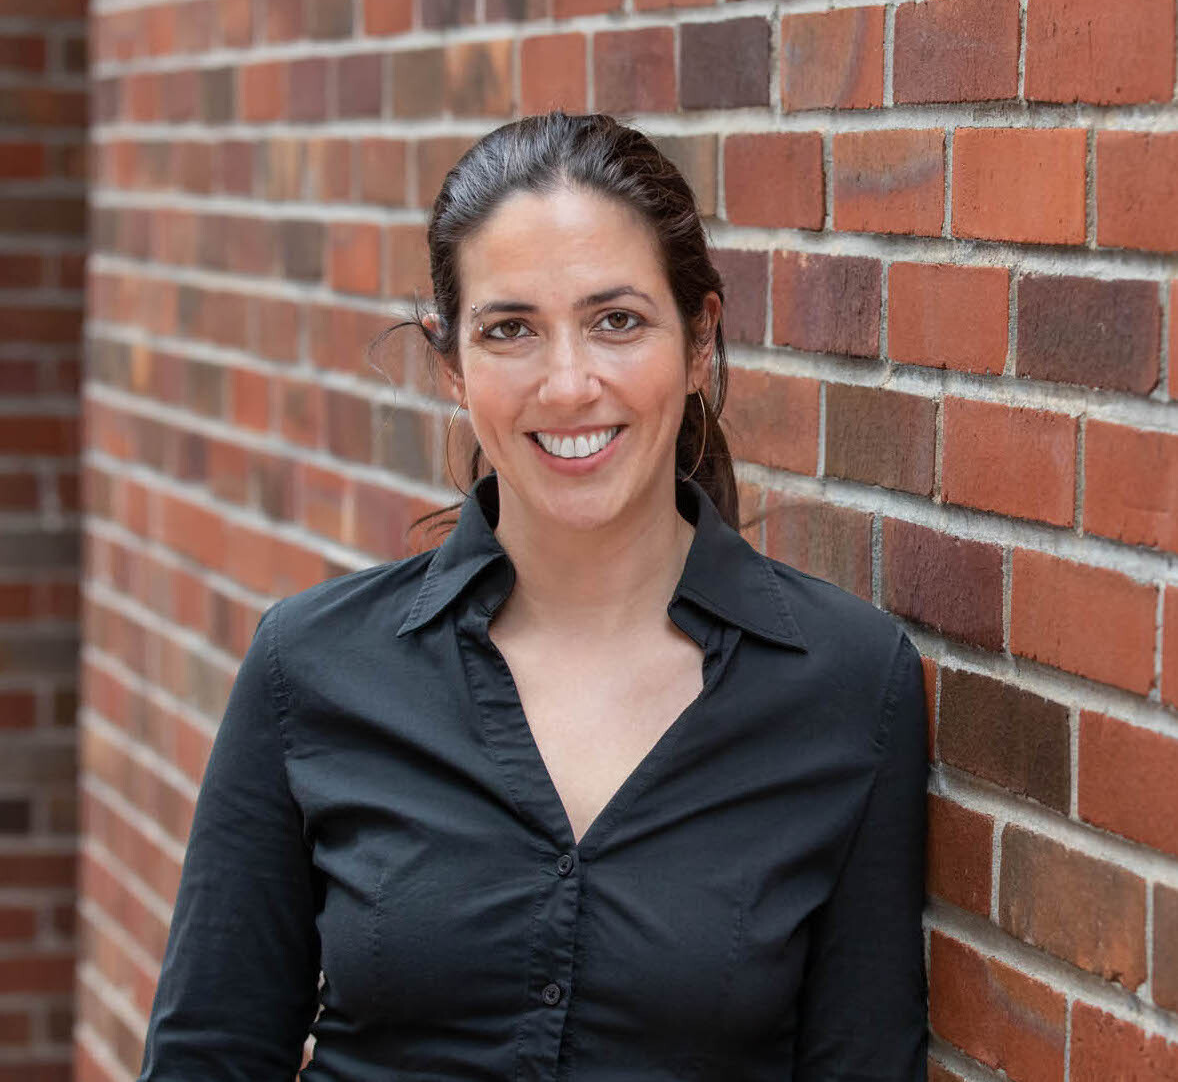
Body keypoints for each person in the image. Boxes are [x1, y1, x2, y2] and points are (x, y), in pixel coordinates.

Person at [137, 111, 929, 1081]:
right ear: (452, 367)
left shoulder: (846, 684)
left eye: (616, 321)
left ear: (698, 341)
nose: (567, 383)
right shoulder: (309, 665)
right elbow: (209, 1055)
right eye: (509, 329)